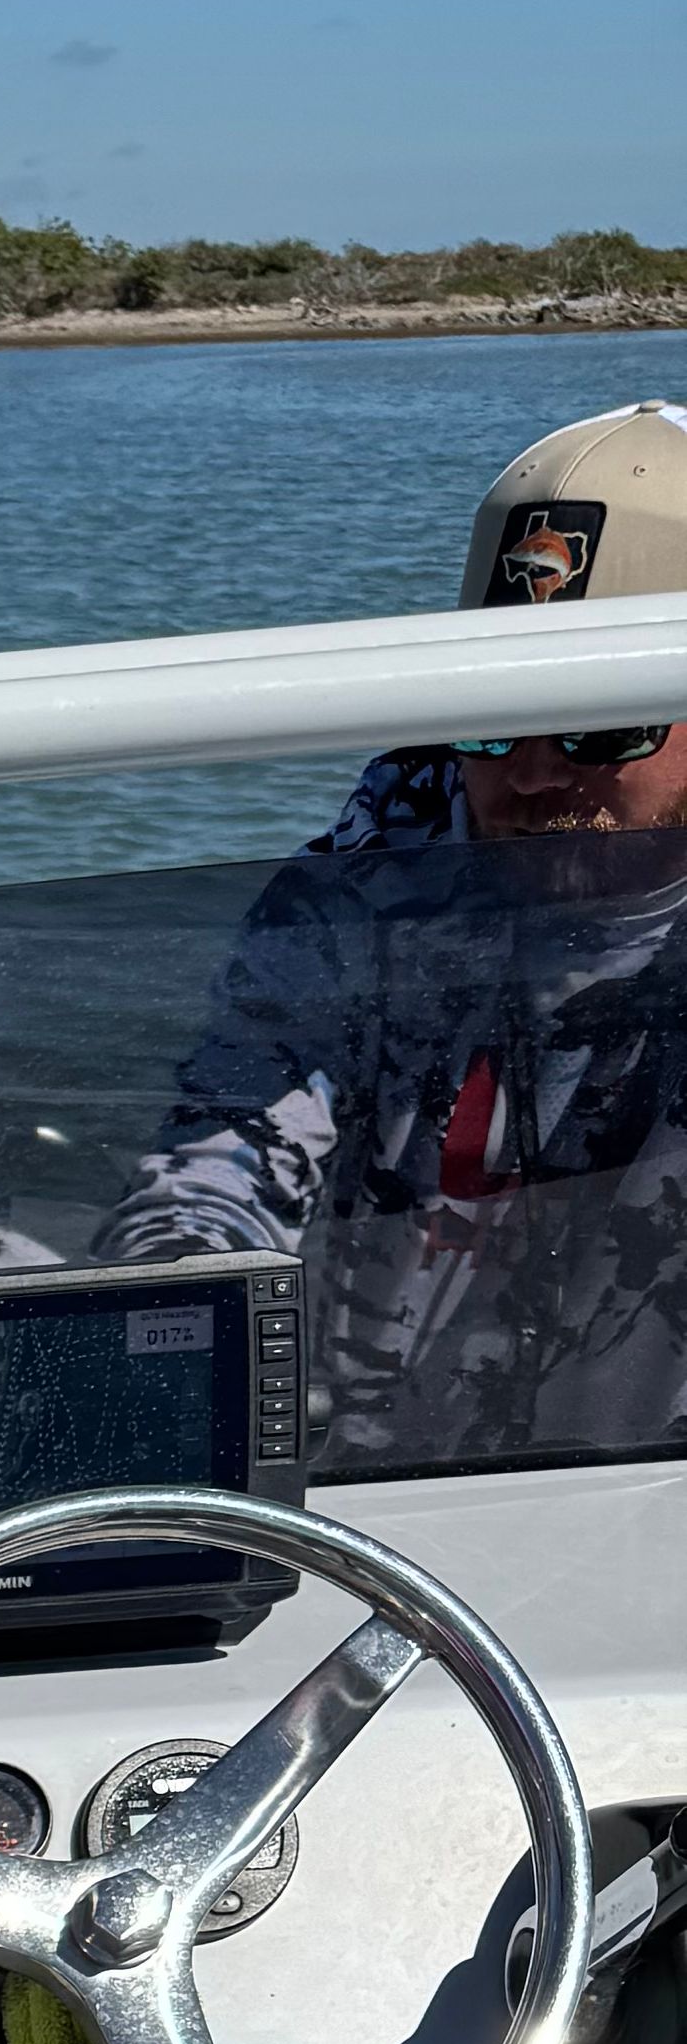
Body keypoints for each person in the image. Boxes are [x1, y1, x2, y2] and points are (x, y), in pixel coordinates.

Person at [98, 405, 687, 1464]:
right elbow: (220, 1166)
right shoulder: (358, 888)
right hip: (371, 1496)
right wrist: (177, 1335)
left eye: (608, 720)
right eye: (491, 710)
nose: (537, 767)